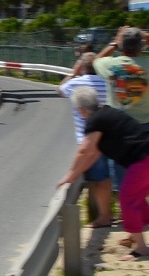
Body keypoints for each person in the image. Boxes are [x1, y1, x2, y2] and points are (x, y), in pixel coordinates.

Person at [57, 87, 149, 261]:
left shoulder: (95, 120)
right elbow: (94, 152)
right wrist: (78, 171)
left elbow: (85, 150)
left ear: (81, 110)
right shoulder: (105, 112)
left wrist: (70, 174)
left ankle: (141, 248)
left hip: (144, 159)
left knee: (127, 200)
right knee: (138, 200)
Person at [93, 26, 149, 225]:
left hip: (119, 133)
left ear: (121, 45)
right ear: (141, 46)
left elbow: (95, 60)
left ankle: (133, 230)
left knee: (125, 186)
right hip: (146, 128)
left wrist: (114, 41)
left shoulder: (109, 65)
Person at [58, 52, 113, 227]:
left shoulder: (75, 83)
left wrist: (73, 73)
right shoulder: (107, 83)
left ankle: (102, 216)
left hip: (88, 140)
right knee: (108, 178)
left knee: (97, 181)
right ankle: (107, 213)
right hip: (109, 137)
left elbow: (60, 90)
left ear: (82, 66)